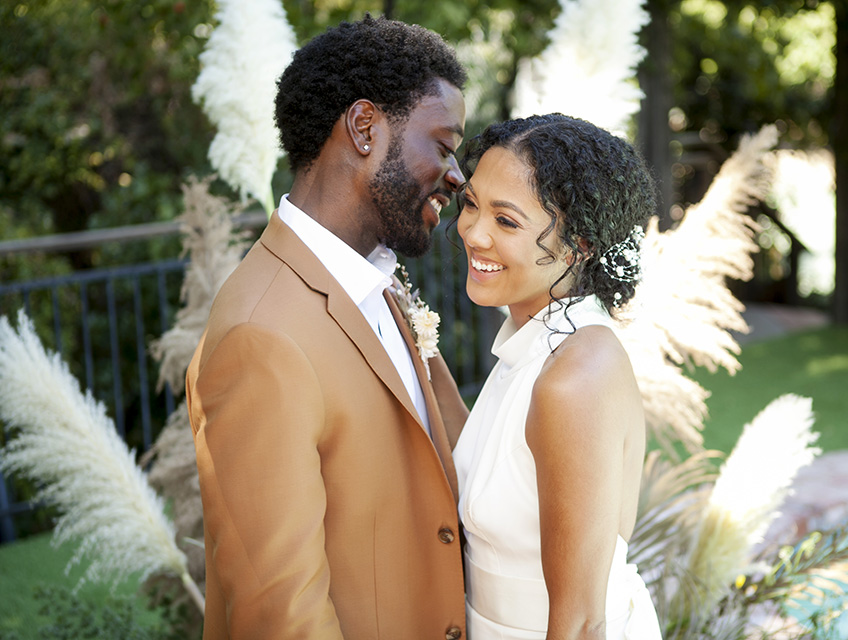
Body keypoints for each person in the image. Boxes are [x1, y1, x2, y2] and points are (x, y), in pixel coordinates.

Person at [185, 16, 470, 639]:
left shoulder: (378, 280)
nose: (457, 176)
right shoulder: (260, 337)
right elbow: (279, 613)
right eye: (444, 146)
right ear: (365, 128)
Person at [451, 113, 663, 639]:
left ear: (580, 245)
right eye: (472, 204)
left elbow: (582, 624)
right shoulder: (532, 346)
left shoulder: (575, 379)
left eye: (507, 221)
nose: (473, 233)